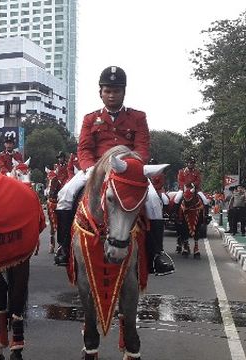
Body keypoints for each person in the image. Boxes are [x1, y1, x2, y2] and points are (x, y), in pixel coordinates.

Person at [54, 66, 175, 276]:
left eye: (116, 90)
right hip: (96, 168)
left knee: (155, 201)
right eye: (107, 90)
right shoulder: (90, 119)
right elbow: (84, 148)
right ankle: (63, 247)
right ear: (100, 92)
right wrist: (90, 168)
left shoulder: (137, 117)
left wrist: (133, 165)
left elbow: (142, 147)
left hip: (128, 169)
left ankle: (157, 254)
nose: (111, 95)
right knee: (65, 195)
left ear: (123, 92)